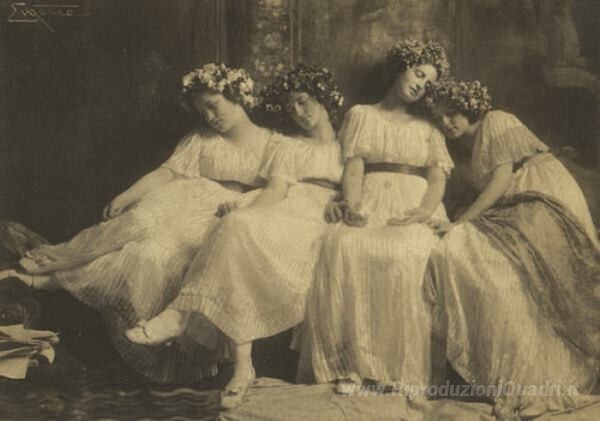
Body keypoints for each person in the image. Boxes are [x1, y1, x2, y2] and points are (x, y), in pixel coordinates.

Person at [0, 63, 278, 383]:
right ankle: (52, 263)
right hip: (182, 199)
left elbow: (278, 192)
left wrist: (243, 205)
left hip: (221, 216)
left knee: (153, 254)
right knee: (135, 225)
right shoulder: (201, 139)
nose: (210, 117)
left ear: (237, 96)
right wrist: (127, 195)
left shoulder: (272, 144)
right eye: (203, 112)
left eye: (214, 106)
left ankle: (55, 281)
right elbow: (167, 172)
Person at [125, 65, 346, 409]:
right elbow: (275, 190)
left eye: (304, 102)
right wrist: (249, 211)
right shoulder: (286, 144)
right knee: (235, 226)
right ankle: (240, 364)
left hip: (321, 217)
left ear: (323, 97)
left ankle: (183, 316)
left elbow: (362, 185)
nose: (299, 113)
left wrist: (344, 202)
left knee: (237, 230)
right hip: (286, 207)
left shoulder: (349, 144)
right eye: (291, 108)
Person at [425, 79, 600, 419]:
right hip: (517, 203)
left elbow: (502, 181)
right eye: (440, 118)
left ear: (470, 108)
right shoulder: (464, 149)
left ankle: (549, 380)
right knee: (501, 272)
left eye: (453, 113)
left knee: (525, 270)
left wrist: (461, 222)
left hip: (544, 194)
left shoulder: (496, 120)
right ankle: (519, 375)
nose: (447, 123)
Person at [297, 39, 453, 396]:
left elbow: (437, 179)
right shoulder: (362, 115)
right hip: (370, 196)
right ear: (401, 67)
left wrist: (424, 211)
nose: (421, 85)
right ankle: (351, 364)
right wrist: (352, 205)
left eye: (429, 83)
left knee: (407, 253)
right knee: (343, 246)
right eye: (418, 74)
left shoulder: (428, 128)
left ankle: (397, 369)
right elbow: (353, 168)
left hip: (414, 201)